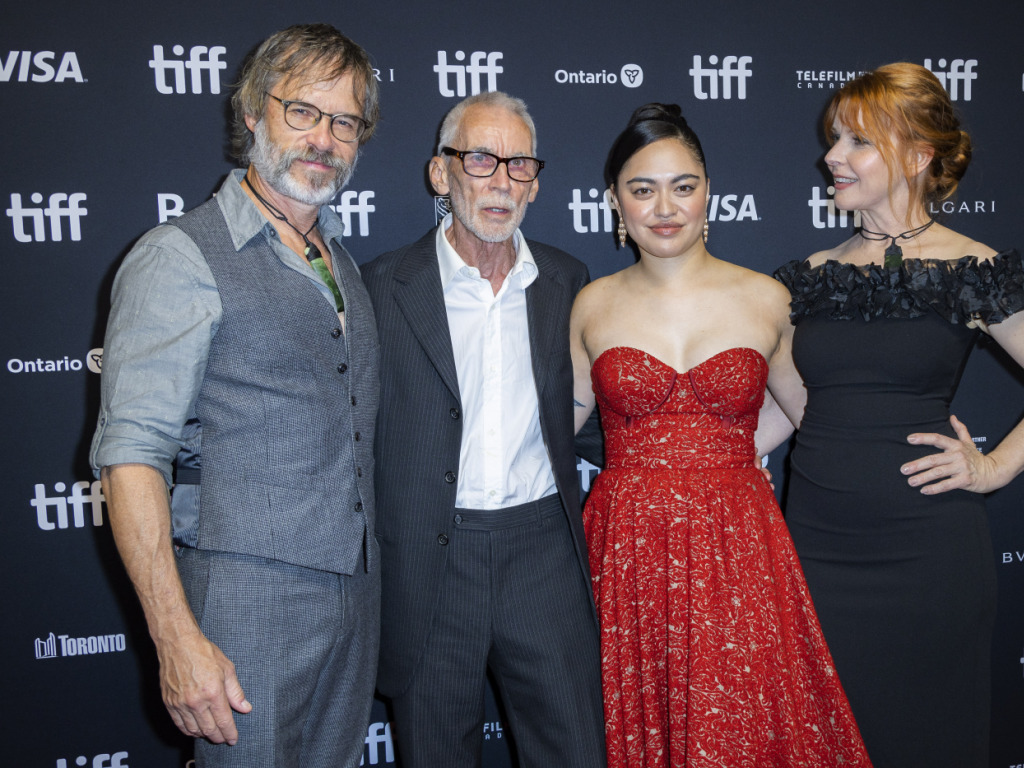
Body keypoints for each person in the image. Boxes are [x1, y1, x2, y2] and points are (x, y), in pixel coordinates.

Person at [89, 24, 380, 768]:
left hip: (354, 606)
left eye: (344, 122)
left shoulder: (343, 263)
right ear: (253, 113)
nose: (323, 139)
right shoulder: (178, 256)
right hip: (241, 608)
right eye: (302, 112)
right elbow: (132, 458)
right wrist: (175, 636)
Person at [570, 103, 872, 768]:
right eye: (642, 189)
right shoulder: (591, 303)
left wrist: (729, 454)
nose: (665, 208)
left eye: (683, 186)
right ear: (615, 201)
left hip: (739, 541)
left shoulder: (766, 297)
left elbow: (809, 411)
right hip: (628, 545)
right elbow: (558, 422)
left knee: (741, 723)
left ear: (709, 192)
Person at [773, 62, 1024, 768]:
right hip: (818, 553)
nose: (831, 156)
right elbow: (783, 413)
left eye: (857, 141)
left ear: (916, 157)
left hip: (929, 559)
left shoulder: (971, 268)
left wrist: (993, 468)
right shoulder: (809, 277)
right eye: (835, 138)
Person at [361, 91, 606, 768]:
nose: (501, 181)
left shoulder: (569, 282)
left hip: (544, 555)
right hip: (430, 564)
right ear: (441, 173)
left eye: (519, 164)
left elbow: (597, 414)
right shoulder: (381, 287)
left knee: (576, 751)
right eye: (480, 159)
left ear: (536, 183)